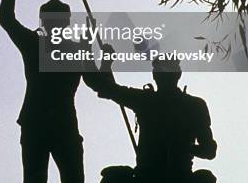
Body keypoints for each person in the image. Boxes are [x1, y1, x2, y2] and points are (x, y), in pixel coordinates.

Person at [0, 0, 85, 183]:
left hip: (43, 124)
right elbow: (6, 19)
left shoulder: (38, 45)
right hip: (52, 124)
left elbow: (6, 19)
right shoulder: (40, 45)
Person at [85, 45, 217, 183]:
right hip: (147, 176)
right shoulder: (147, 100)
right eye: (160, 70)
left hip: (179, 177)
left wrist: (180, 146)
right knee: (114, 177)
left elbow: (209, 151)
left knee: (206, 179)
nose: (163, 75)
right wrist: (102, 59)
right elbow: (104, 87)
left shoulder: (190, 105)